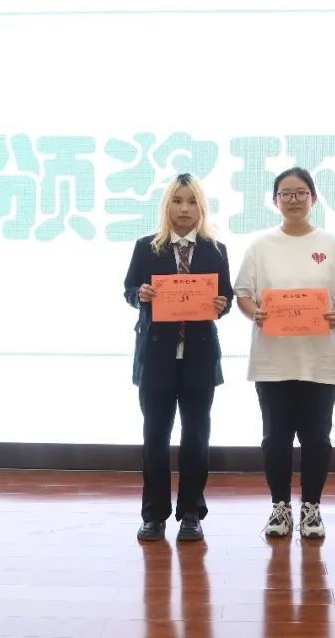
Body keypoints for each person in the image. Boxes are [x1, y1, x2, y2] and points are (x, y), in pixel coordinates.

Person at [233, 167, 335, 539]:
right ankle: (280, 507)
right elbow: (243, 294)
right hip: (273, 360)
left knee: (317, 438)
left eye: (301, 192)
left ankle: (312, 509)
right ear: (275, 201)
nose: (294, 199)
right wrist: (255, 313)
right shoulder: (261, 246)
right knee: (276, 438)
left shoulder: (332, 245)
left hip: (320, 358)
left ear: (313, 198)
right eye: (286, 193)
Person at [123, 173, 233, 542]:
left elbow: (226, 298)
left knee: (196, 437)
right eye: (177, 200)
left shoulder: (215, 249)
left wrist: (221, 303)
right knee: (155, 437)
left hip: (198, 356)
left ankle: (191, 513)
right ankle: (153, 515)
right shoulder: (146, 247)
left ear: (202, 207)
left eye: (191, 201)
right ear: (166, 205)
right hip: (156, 356)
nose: (184, 208)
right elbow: (129, 290)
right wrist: (140, 294)